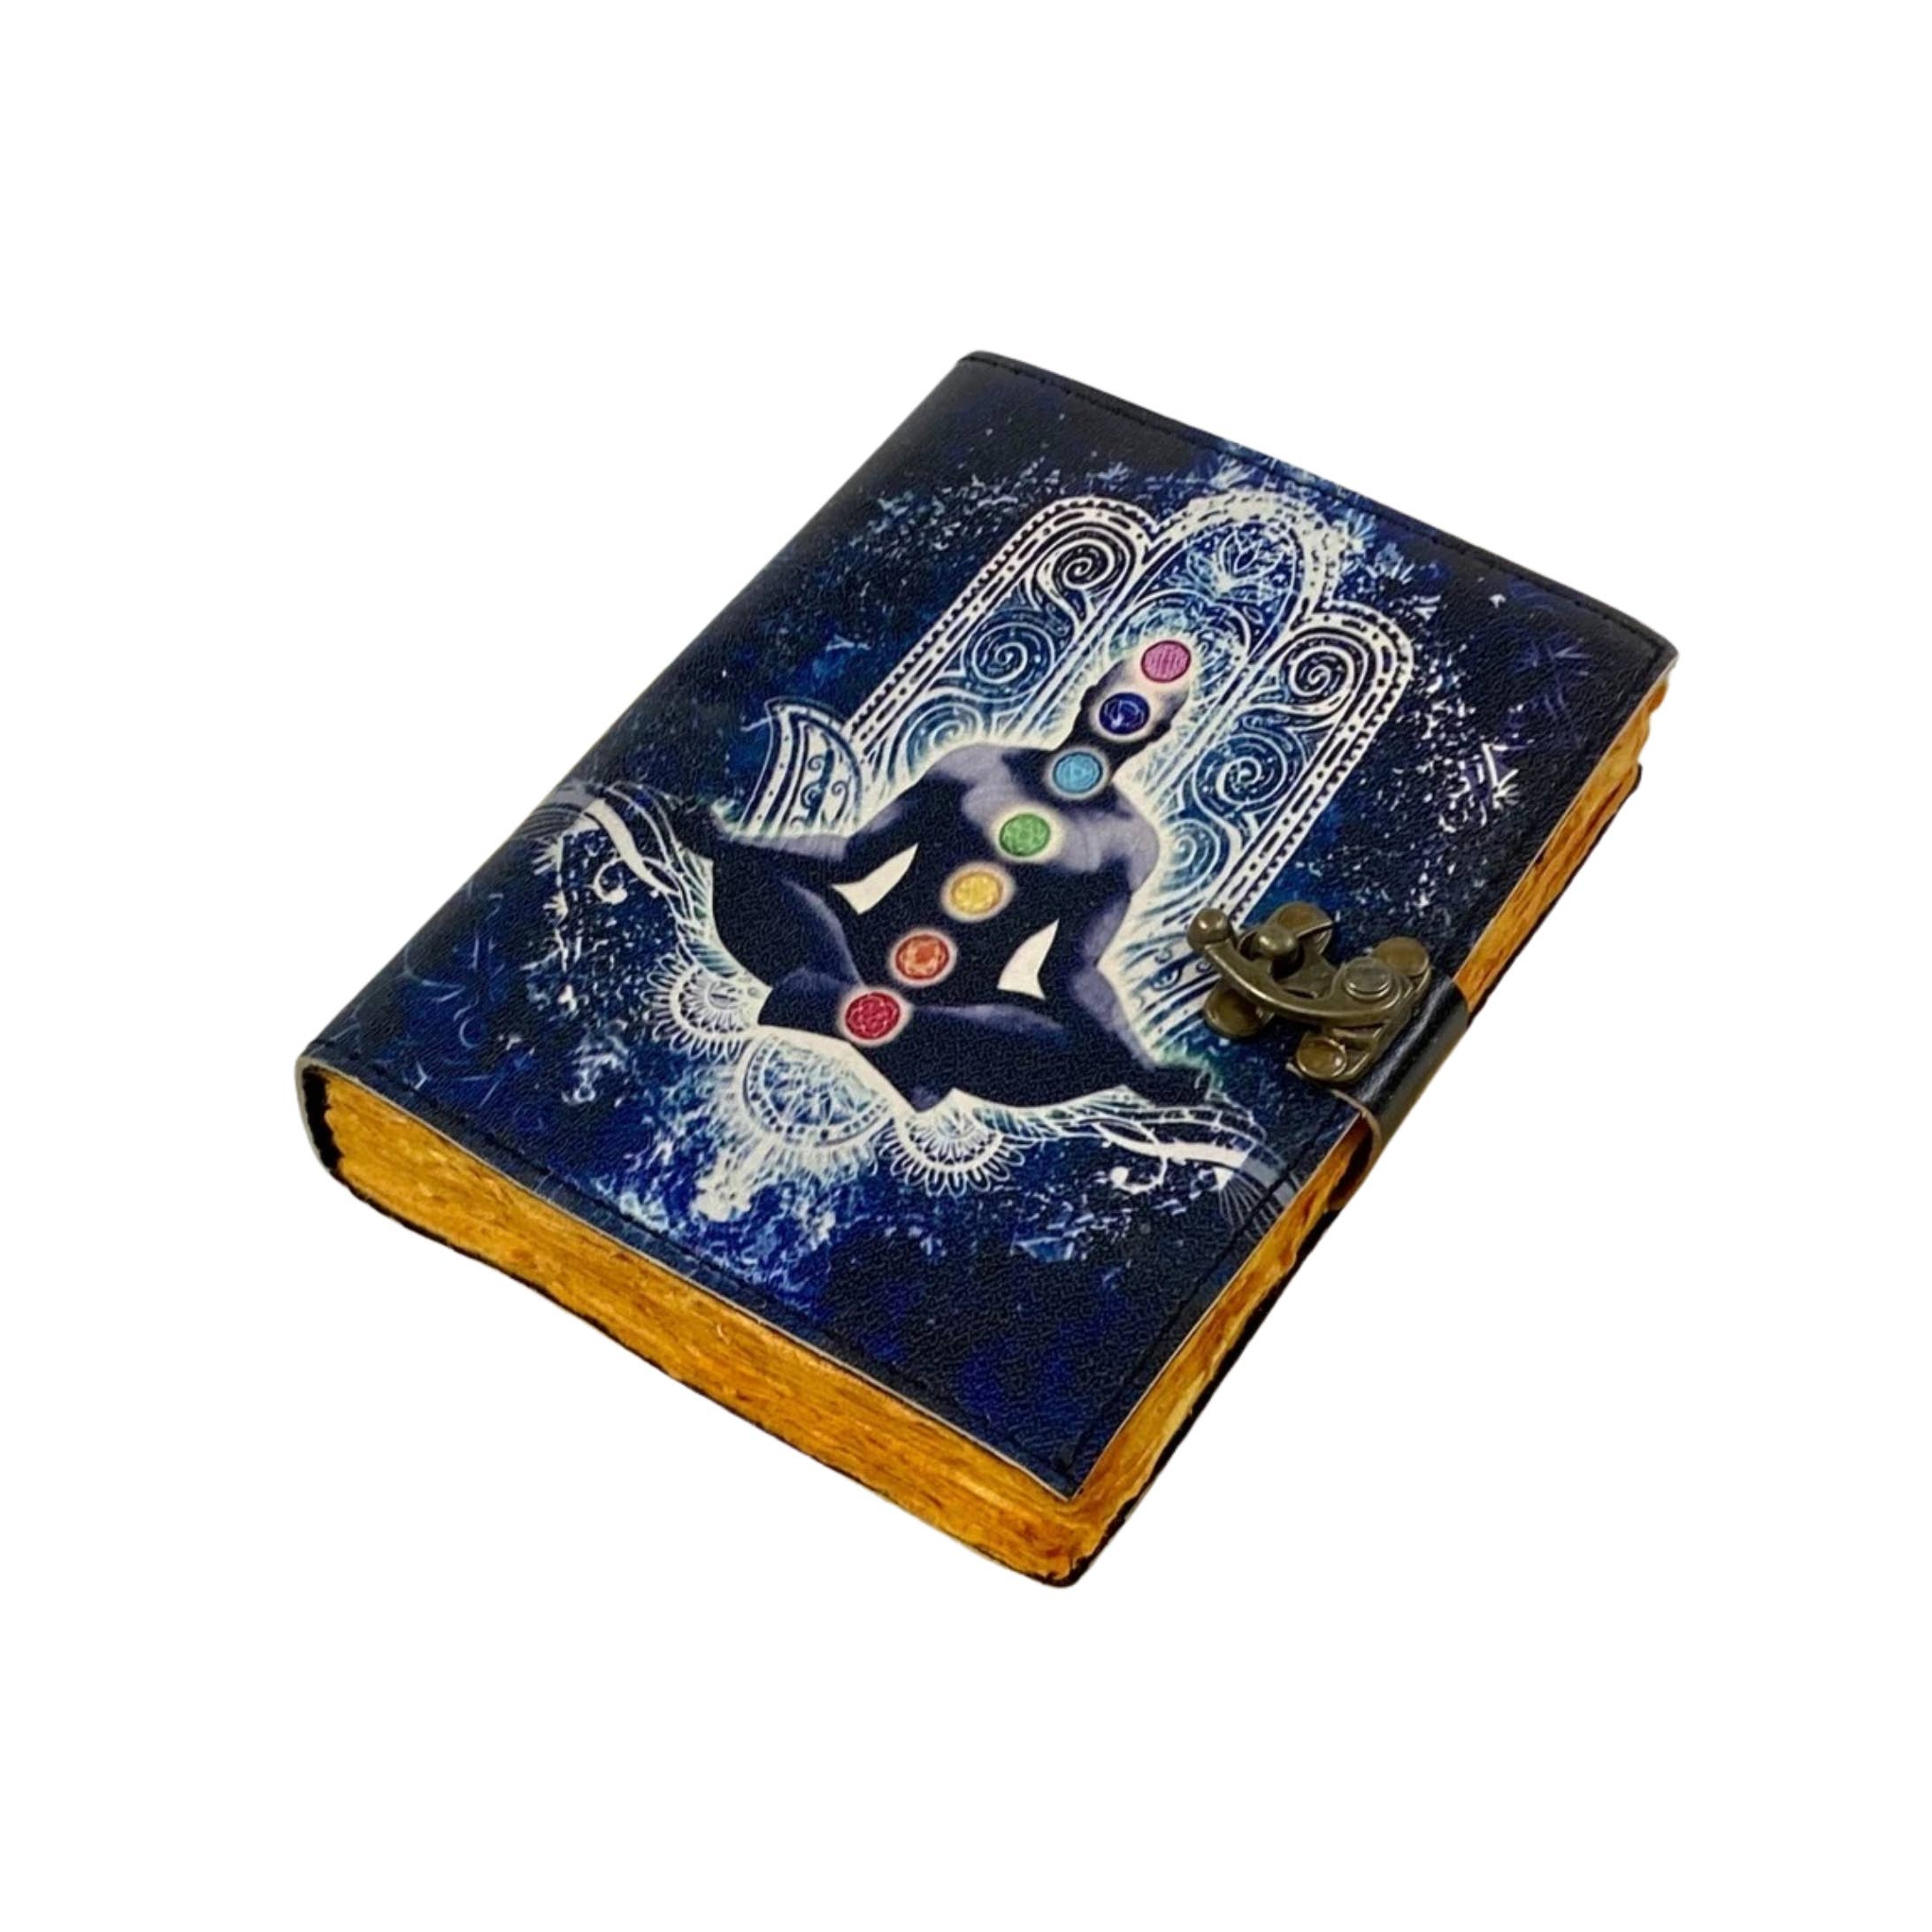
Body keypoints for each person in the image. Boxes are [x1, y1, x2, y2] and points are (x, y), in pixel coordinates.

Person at [678, 640, 1205, 1111]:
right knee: (748, 872)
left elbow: (1069, 971)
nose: (1124, 718)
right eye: (1120, 701)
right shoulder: (980, 765)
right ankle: (894, 1041)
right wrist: (725, 844)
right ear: (1090, 697)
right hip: (851, 949)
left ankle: (836, 1004)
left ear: (1156, 735)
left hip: (956, 1010)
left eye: (1143, 715)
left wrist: (1140, 1067)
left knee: (1089, 1057)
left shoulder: (1128, 841)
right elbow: (853, 857)